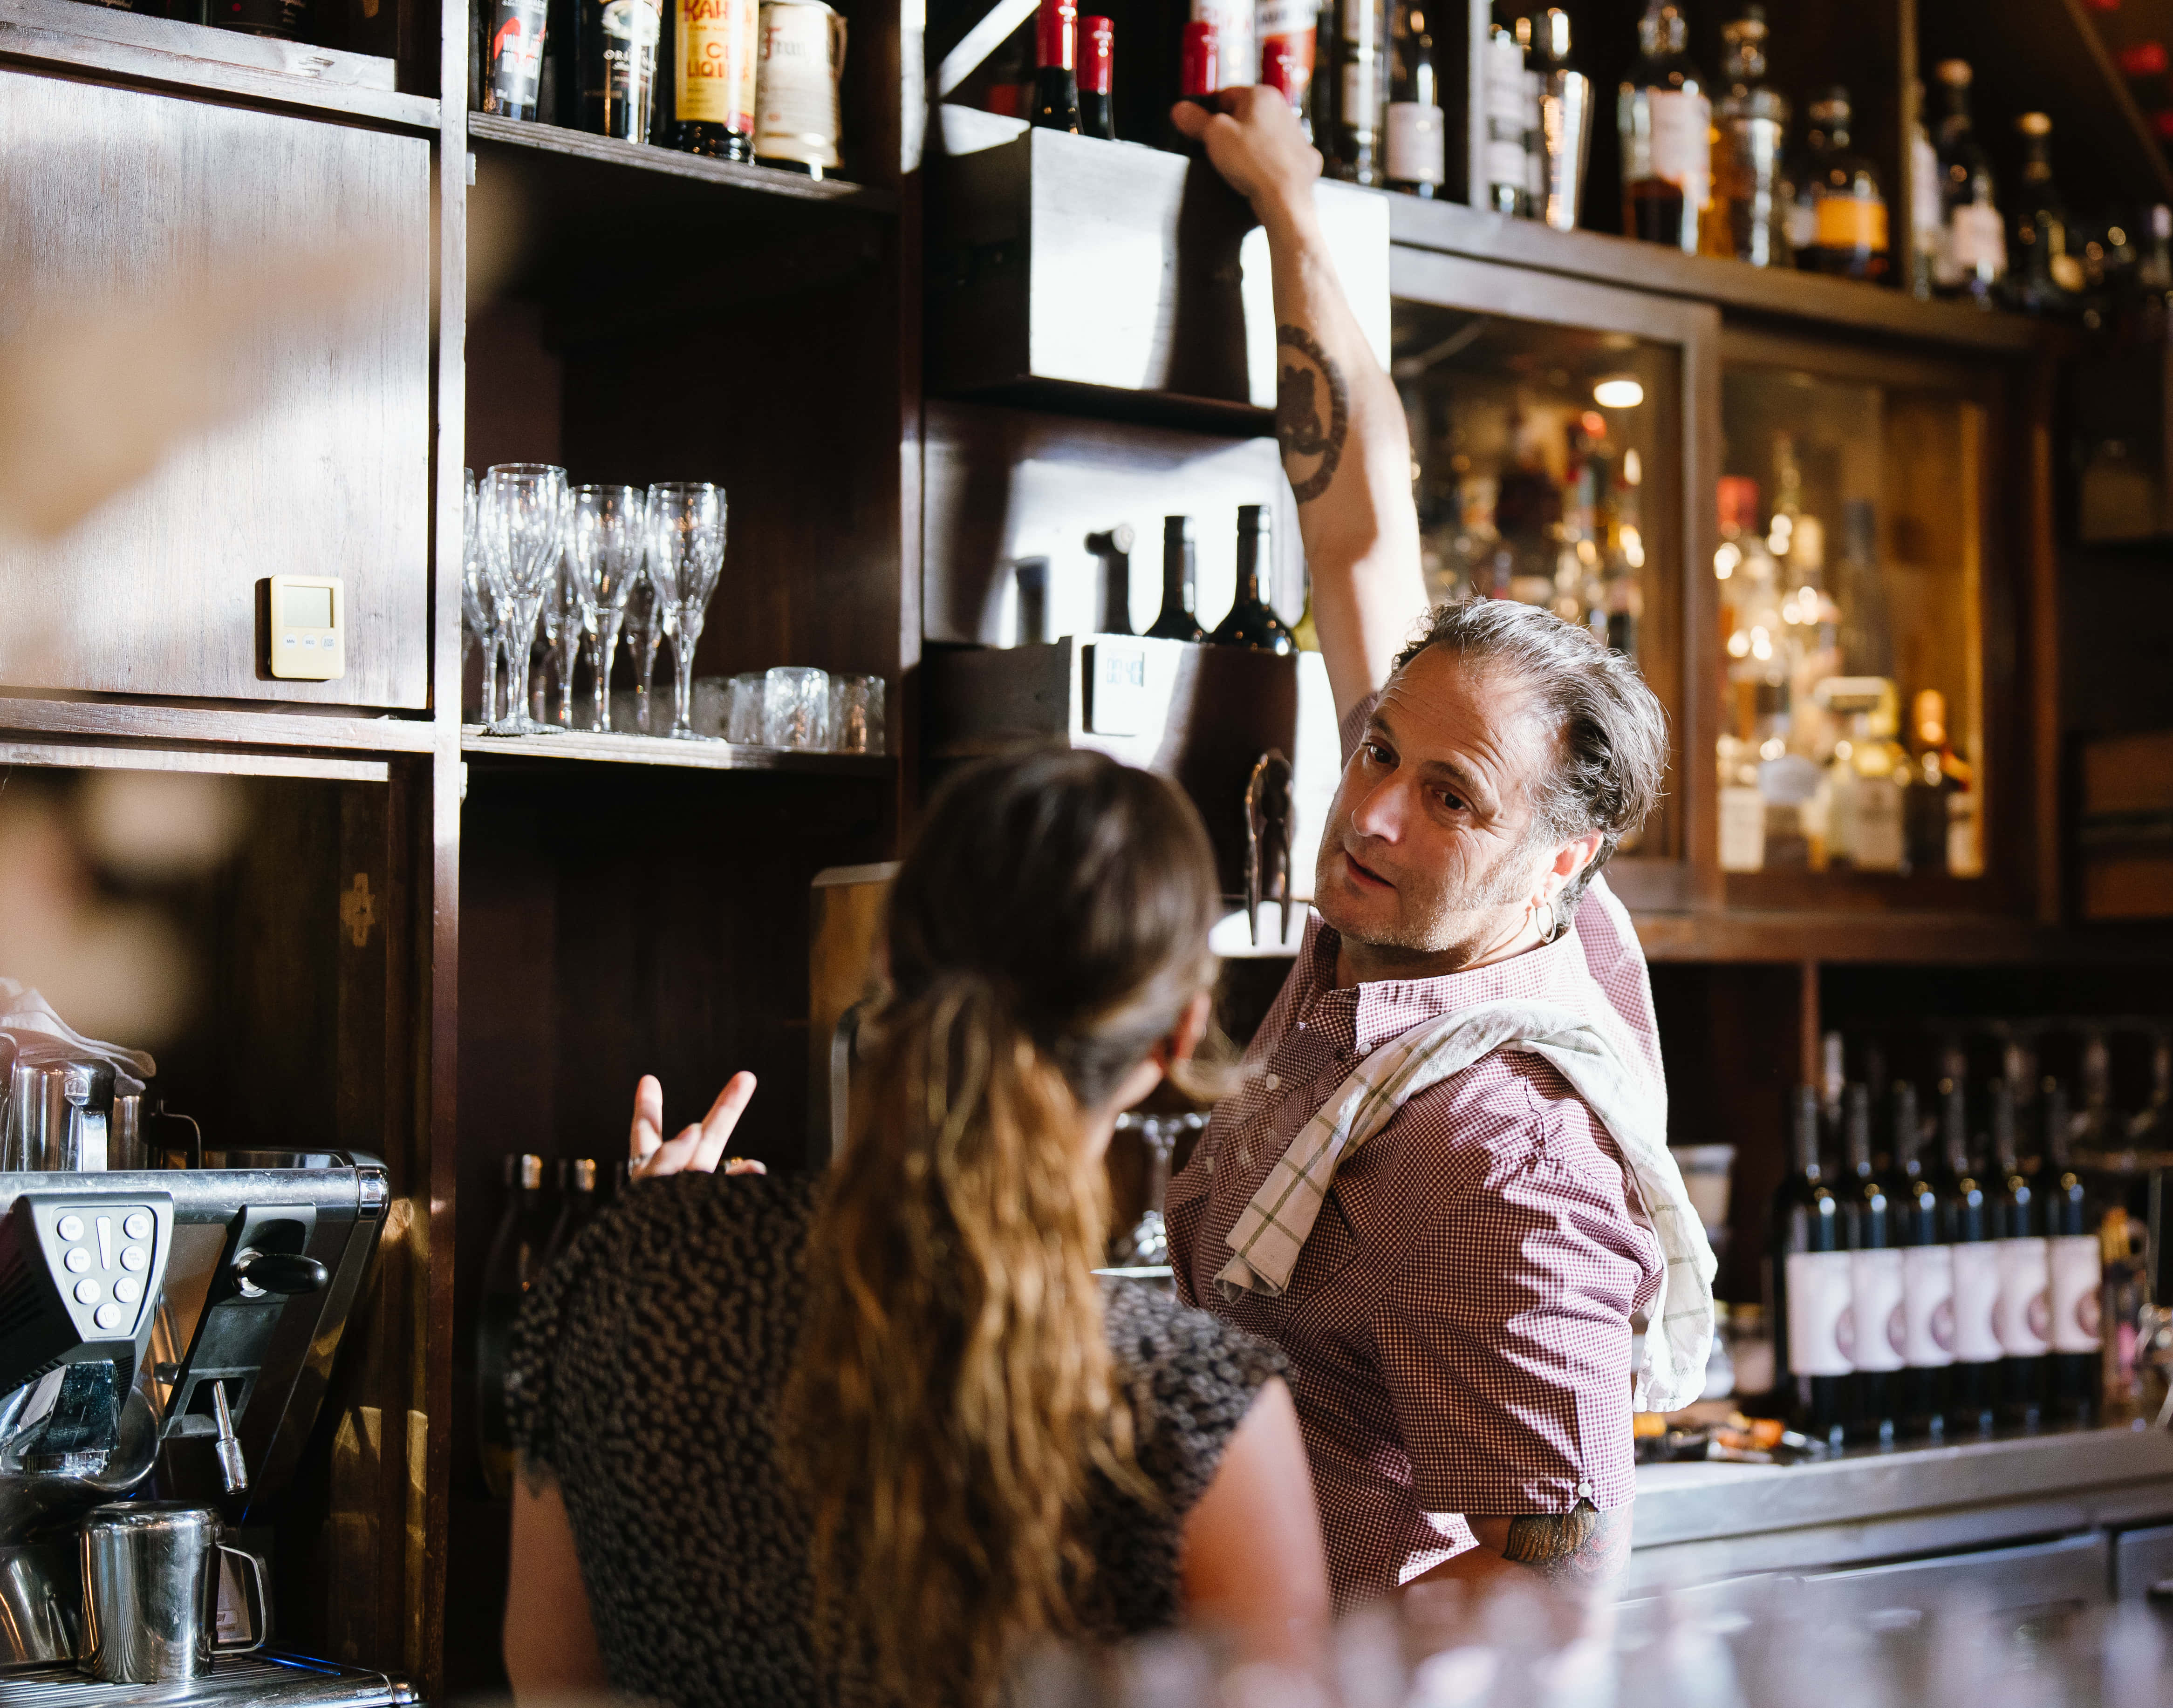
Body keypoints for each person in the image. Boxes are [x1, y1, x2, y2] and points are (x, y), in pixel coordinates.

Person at [1162, 89, 1714, 1609]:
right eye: (1377, 752)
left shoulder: (1508, 1157)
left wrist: (1256, 1665)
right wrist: (1293, 206)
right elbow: (1356, 520)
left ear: (1561, 859)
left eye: (1452, 795)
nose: (1376, 809)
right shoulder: (1418, 925)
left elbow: (1556, 1590)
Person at [501, 750, 1331, 1708]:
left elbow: (549, 1680)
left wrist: (659, 1238)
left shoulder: (624, 1276)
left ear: (888, 964)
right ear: (1177, 1036)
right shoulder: (1196, 1405)